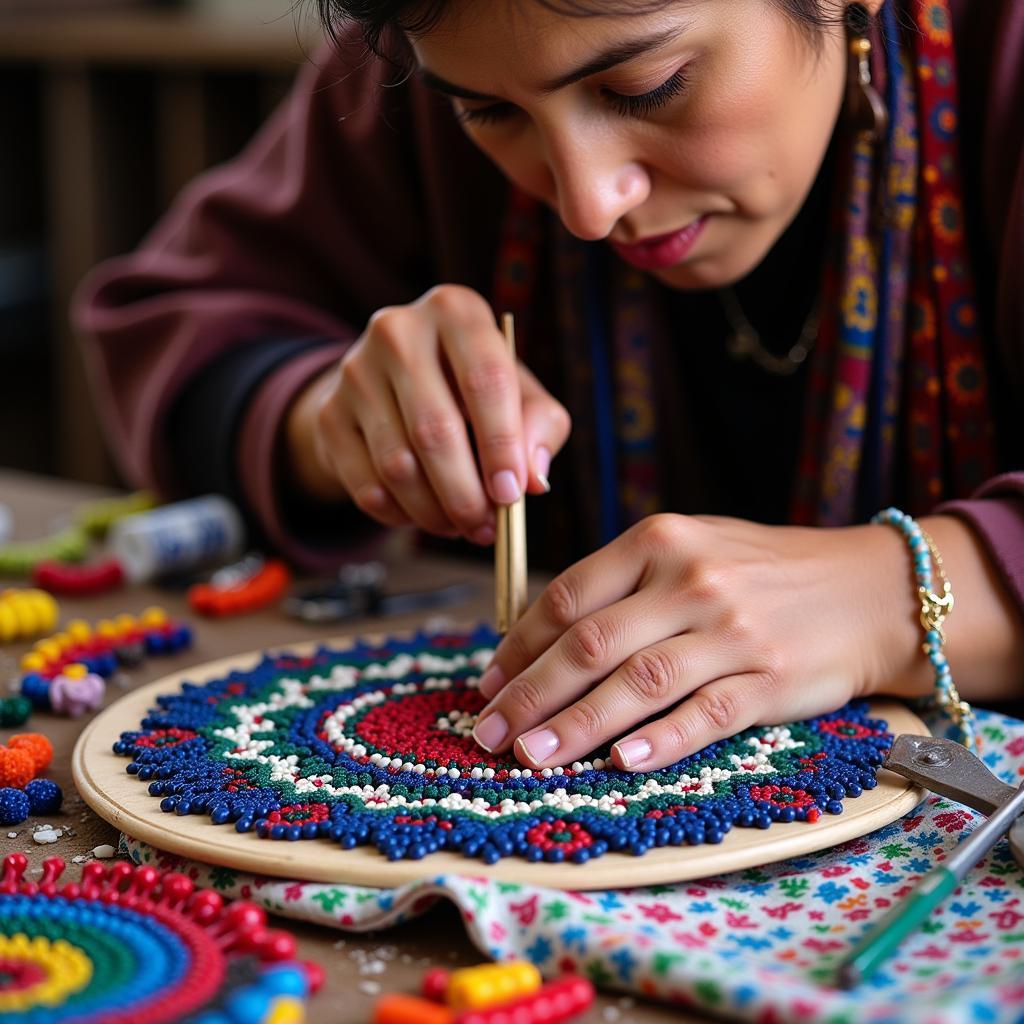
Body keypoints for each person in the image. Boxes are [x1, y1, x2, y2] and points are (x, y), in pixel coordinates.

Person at [75, 0, 1023, 776]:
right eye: (489, 114)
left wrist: (897, 595)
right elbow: (179, 323)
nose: (583, 203)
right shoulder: (431, 37)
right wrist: (328, 420)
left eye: (646, 86)